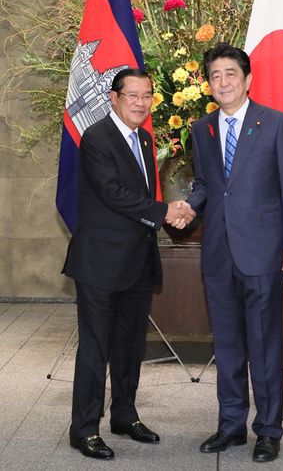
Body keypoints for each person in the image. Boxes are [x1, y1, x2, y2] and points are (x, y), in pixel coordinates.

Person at [62, 68, 195, 460]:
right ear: (114, 98)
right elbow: (112, 193)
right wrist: (165, 211)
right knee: (95, 347)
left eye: (146, 96)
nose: (140, 103)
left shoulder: (145, 138)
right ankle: (83, 429)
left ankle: (124, 415)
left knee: (129, 345)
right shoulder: (96, 138)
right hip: (101, 262)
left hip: (137, 261)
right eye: (132, 95)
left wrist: (167, 212)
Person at [187, 43, 283, 463]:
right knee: (229, 343)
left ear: (247, 79)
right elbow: (205, 184)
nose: (223, 82)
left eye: (230, 75)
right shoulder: (201, 129)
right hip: (218, 253)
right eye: (215, 75)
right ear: (208, 83)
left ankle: (269, 430)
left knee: (264, 344)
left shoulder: (274, 123)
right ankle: (231, 425)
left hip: (264, 251)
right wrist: (188, 205)